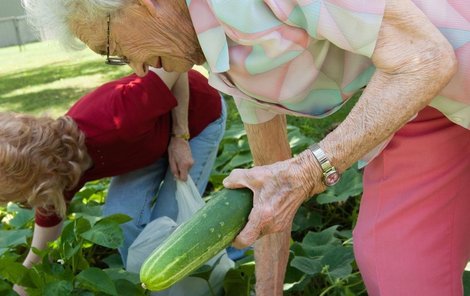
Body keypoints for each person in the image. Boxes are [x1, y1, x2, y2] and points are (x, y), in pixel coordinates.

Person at [23, 0, 469, 295]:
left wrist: (309, 170)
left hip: (437, 59)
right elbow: (269, 180)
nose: (134, 66)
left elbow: (421, 57)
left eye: (111, 46)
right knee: (394, 270)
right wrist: (267, 290)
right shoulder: (217, 55)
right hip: (415, 105)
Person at [0, 67, 226, 276]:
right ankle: (145, 283)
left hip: (195, 118)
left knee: (171, 224)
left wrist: (179, 136)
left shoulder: (118, 118)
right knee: (121, 219)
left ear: (38, 178)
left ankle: (215, 266)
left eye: (21, 194)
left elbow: (174, 63)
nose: (25, 201)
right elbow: (42, 242)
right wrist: (23, 284)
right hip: (146, 142)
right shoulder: (61, 165)